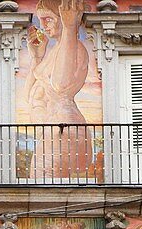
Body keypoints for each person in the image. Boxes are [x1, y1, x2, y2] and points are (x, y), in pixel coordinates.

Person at [24, 0, 92, 180]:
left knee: (47, 191)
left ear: (64, 17)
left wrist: (70, 28)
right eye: (40, 20)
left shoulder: (75, 47)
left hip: (63, 130)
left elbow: (61, 84)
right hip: (51, 131)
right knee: (40, 186)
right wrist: (36, 57)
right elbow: (29, 97)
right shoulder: (54, 51)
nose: (42, 25)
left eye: (48, 19)